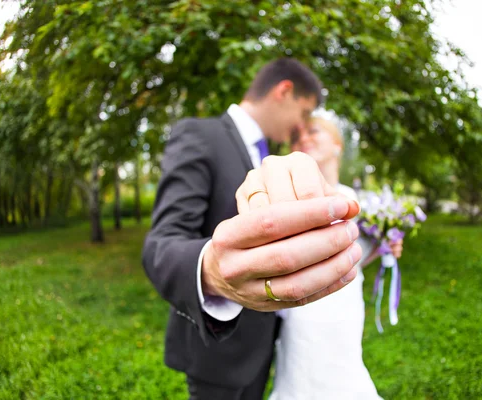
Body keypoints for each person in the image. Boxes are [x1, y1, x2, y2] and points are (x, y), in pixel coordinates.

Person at [142, 59, 363, 400]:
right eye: (303, 114)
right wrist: (212, 272)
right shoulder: (201, 135)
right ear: (284, 91)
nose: (299, 129)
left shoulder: (272, 158)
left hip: (267, 349)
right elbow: (161, 243)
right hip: (216, 353)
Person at [242, 117, 404, 400]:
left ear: (337, 145)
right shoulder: (287, 201)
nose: (303, 137)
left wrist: (383, 249)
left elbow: (352, 256)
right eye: (296, 136)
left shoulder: (361, 201)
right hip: (302, 307)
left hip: (344, 305)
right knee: (300, 371)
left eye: (313, 131)